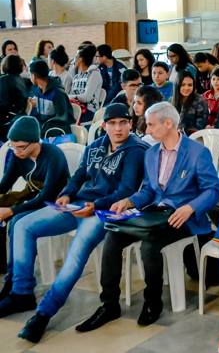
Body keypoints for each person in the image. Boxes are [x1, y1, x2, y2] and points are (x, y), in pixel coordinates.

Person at [7, 104, 147, 342]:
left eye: (123, 122)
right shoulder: (94, 147)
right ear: (104, 126)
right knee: (22, 225)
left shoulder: (136, 150)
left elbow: (127, 189)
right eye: (112, 123)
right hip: (77, 205)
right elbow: (79, 176)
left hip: (103, 211)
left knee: (76, 252)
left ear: (130, 124)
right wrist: (67, 194)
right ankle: (21, 292)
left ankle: (44, 313)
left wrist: (96, 206)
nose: (118, 128)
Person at [76, 102, 219, 332]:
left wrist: (190, 207)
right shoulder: (152, 152)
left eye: (151, 124)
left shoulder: (196, 152)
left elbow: (212, 191)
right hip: (153, 214)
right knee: (112, 237)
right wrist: (129, 201)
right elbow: (148, 191)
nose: (147, 129)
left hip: (182, 217)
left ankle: (153, 302)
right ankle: (109, 304)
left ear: (169, 123)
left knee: (149, 246)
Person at [0, 116, 69, 297]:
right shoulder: (17, 156)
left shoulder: (53, 155)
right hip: (32, 196)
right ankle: (8, 270)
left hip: (55, 203)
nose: (17, 151)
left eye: (21, 147)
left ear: (35, 142)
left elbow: (46, 196)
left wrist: (11, 210)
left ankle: (13, 280)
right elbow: (5, 183)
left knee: (15, 220)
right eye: (13, 146)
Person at [26, 60, 73, 136]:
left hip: (57, 132)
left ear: (34, 76)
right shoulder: (38, 91)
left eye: (30, 74)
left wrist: (42, 128)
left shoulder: (58, 93)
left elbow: (62, 118)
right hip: (44, 130)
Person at [68, 45, 103, 123]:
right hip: (76, 109)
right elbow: (70, 95)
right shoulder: (76, 76)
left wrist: (72, 97)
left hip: (88, 111)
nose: (74, 60)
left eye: (76, 57)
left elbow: (86, 97)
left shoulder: (94, 74)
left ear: (81, 59)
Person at [171, 70, 208, 135]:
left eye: (190, 85)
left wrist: (182, 132)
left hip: (192, 137)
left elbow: (200, 125)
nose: (186, 88)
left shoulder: (200, 100)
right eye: (183, 85)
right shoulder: (171, 100)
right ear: (178, 85)